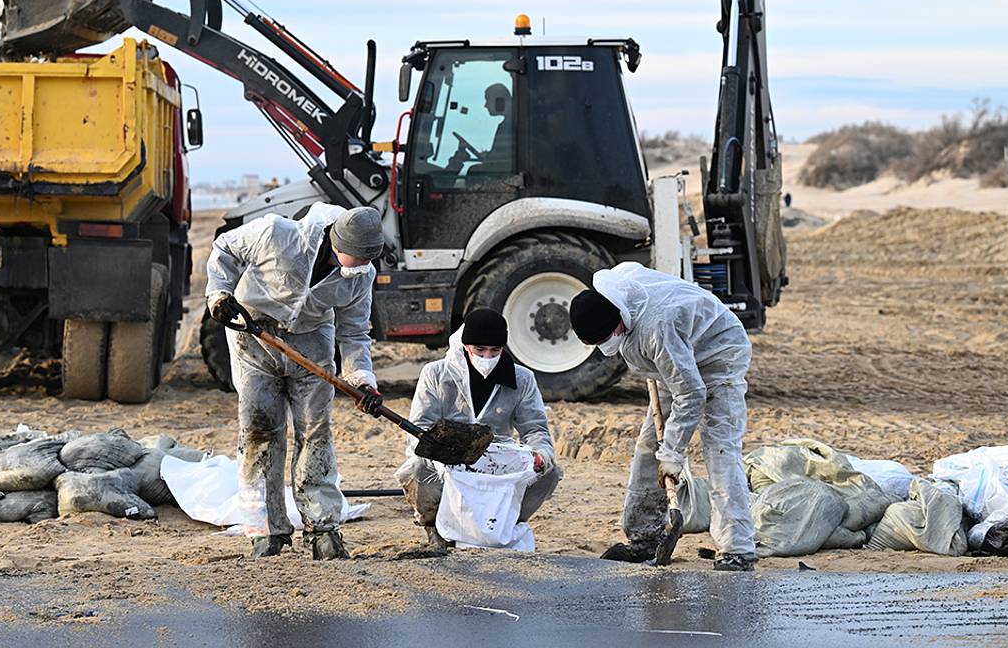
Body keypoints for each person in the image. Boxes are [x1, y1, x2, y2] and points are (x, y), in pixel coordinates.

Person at [206, 203, 384, 560]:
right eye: (357, 258)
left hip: (312, 342)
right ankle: (265, 530)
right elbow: (225, 247)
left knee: (316, 431)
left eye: (368, 260)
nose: (361, 267)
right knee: (260, 430)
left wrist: (362, 379)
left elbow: (354, 333)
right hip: (254, 337)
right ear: (337, 243)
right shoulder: (276, 235)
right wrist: (219, 294)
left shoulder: (362, 275)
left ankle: (322, 528)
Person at [568, 262, 756, 571]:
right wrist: (663, 446)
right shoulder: (618, 287)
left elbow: (691, 393)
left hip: (719, 353)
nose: (605, 346)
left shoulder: (657, 327)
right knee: (648, 445)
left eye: (606, 338)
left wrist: (673, 453)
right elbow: (677, 376)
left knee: (720, 449)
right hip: (675, 356)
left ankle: (737, 550)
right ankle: (645, 537)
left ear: (619, 319)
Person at [395, 308, 561, 553]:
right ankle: (434, 529)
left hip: (496, 462)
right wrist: (440, 457)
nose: (487, 357)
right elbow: (420, 426)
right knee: (418, 468)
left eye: (495, 351)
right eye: (480, 350)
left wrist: (541, 454)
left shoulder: (522, 379)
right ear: (465, 346)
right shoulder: (436, 374)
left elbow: (535, 428)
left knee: (550, 473)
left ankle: (507, 522)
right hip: (447, 460)